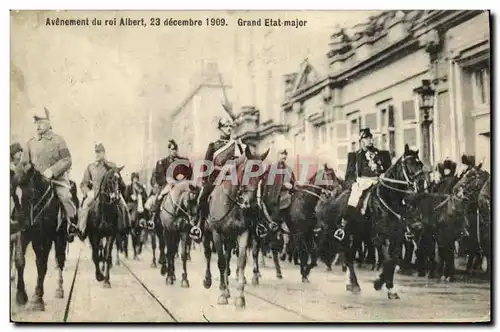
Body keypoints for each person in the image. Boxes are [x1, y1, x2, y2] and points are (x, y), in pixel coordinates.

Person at [16, 107, 78, 240]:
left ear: (49, 123)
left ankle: (71, 224)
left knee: (65, 197)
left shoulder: (58, 140)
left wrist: (52, 171)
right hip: (35, 182)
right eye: (36, 123)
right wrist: (23, 173)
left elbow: (67, 160)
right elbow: (23, 163)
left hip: (56, 180)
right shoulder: (30, 143)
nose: (38, 126)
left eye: (41, 122)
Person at [195, 117, 245, 237]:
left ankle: (252, 225)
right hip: (216, 178)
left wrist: (236, 160)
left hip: (233, 176)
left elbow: (244, 159)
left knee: (249, 196)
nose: (228, 129)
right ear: (220, 129)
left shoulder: (236, 144)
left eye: (230, 127)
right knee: (202, 198)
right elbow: (206, 164)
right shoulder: (213, 145)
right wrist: (204, 180)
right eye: (226, 127)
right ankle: (201, 224)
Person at [78, 143, 129, 238]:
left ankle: (125, 229)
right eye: (96, 152)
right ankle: (82, 229)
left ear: (104, 153)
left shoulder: (112, 166)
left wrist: (118, 177)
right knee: (85, 206)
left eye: (100, 152)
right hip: (95, 192)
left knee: (123, 206)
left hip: (111, 193)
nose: (97, 154)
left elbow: (119, 181)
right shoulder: (90, 167)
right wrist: (87, 192)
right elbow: (83, 184)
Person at [344, 128, 391, 217]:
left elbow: (386, 169)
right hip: (363, 183)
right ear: (361, 141)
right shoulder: (355, 155)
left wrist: (383, 174)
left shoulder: (380, 154)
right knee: (354, 198)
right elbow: (349, 175)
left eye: (370, 138)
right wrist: (354, 183)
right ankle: (345, 224)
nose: (370, 140)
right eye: (366, 138)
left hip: (379, 182)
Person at [149, 139, 192, 223]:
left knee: (191, 197)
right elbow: (160, 177)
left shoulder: (183, 161)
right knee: (160, 196)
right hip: (168, 185)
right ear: (169, 150)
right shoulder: (162, 162)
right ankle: (155, 216)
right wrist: (169, 181)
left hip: (181, 185)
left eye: (176, 149)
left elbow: (189, 173)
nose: (174, 151)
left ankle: (192, 218)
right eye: (172, 149)